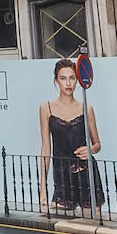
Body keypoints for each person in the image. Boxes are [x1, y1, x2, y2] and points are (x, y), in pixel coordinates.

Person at [38, 59, 104, 214]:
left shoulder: (86, 108)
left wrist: (91, 149)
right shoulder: (46, 108)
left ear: (77, 80)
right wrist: (43, 187)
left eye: (72, 78)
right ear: (56, 80)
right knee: (59, 230)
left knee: (91, 229)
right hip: (61, 177)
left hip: (87, 175)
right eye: (63, 78)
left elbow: (97, 144)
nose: (68, 83)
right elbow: (46, 148)